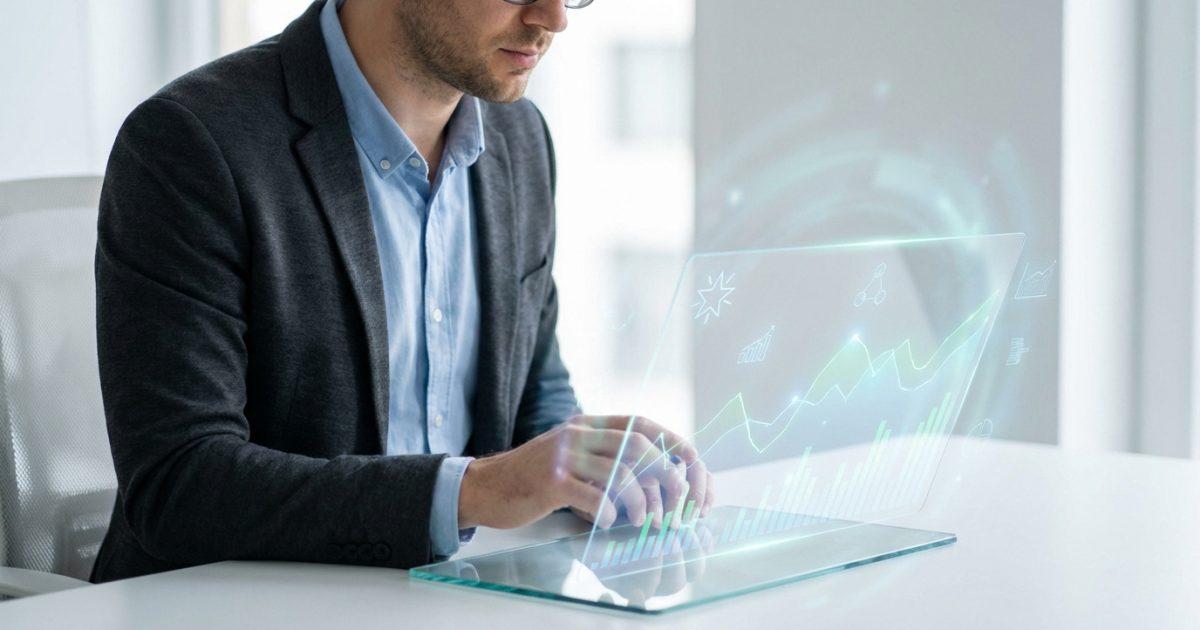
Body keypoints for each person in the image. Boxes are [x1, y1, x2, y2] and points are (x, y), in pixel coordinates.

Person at [90, 0, 713, 583]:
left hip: (453, 595)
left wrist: (596, 468)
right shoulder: (191, 140)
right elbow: (179, 483)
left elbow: (532, 393)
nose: (553, 18)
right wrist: (475, 491)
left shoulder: (520, 137)